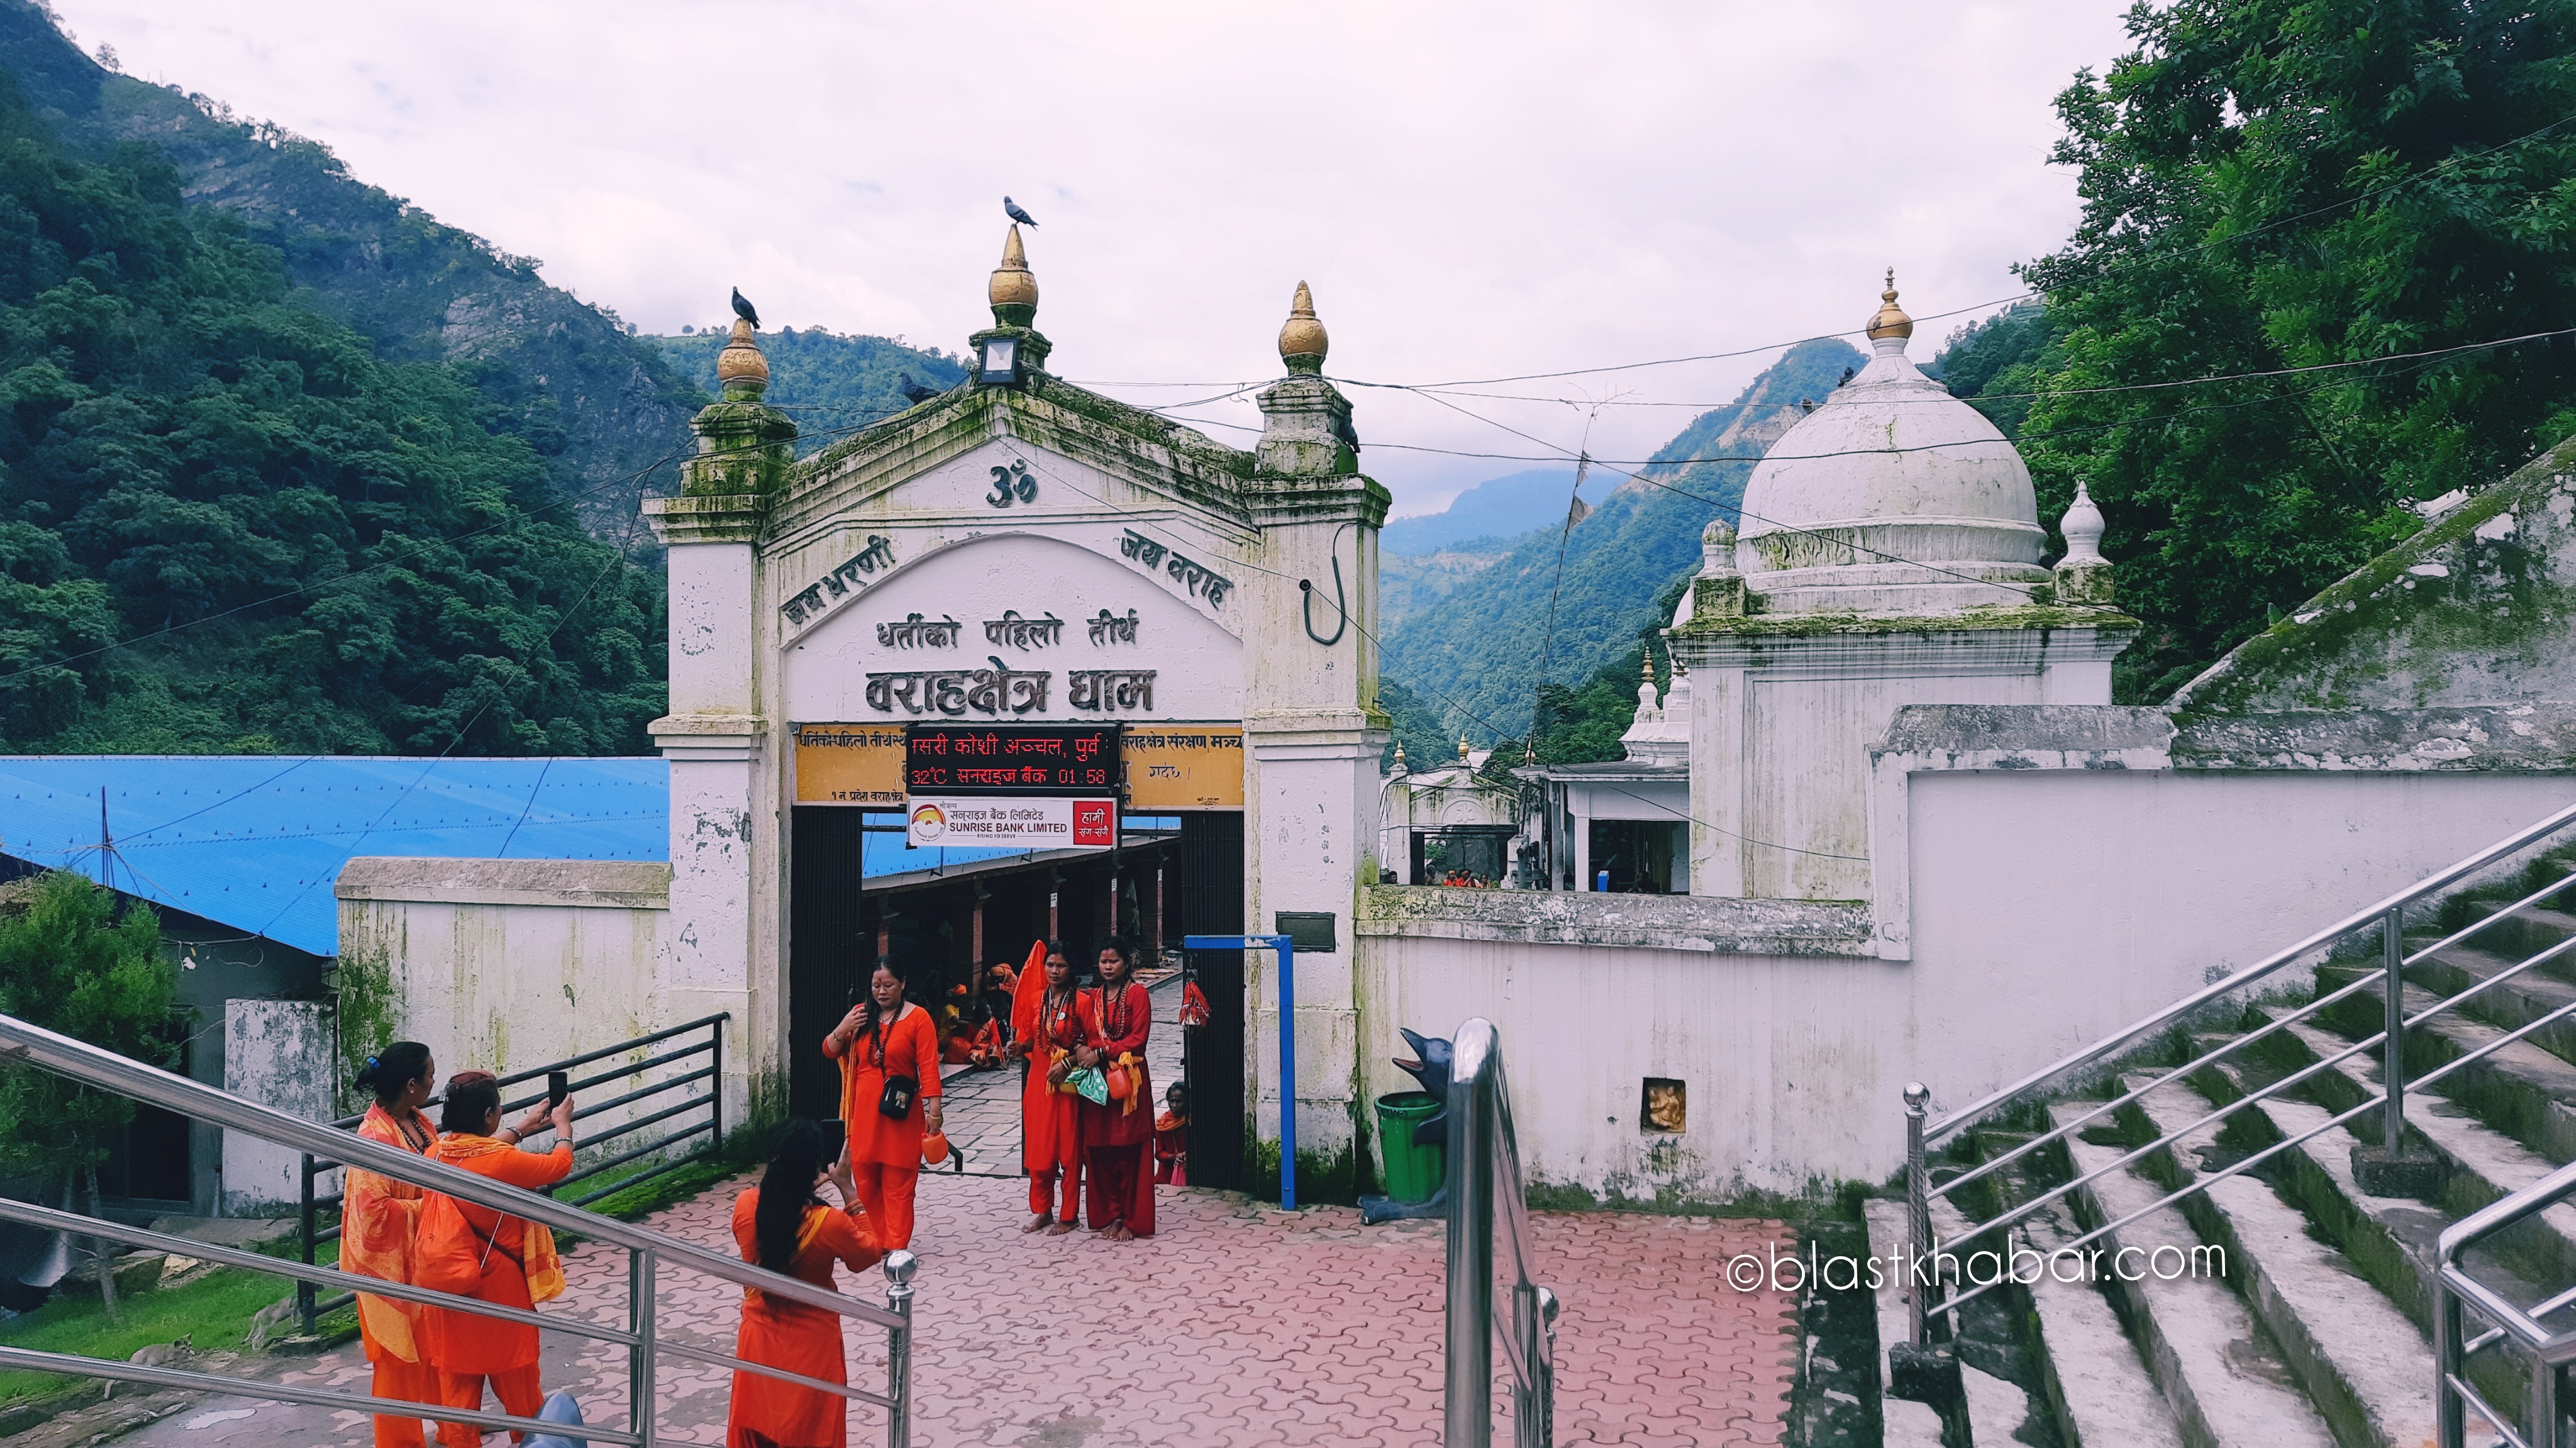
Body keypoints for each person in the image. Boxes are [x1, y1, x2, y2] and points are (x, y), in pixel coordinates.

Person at [419, 1071, 574, 1448]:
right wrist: (563, 1127)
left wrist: (520, 1128)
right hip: (499, 1291)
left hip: (449, 1290)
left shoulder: (434, 1154)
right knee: (520, 1386)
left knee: (458, 1391)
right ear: (489, 1115)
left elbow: (478, 1157)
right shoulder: (502, 1163)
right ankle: (532, 1441)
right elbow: (558, 1166)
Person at [725, 1120, 883, 1448]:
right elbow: (868, 1254)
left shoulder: (745, 1205)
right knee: (810, 1432)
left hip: (759, 1337)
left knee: (761, 1425)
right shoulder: (829, 1223)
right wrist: (847, 1190)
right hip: (813, 1346)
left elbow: (777, 1218)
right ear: (815, 1167)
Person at [343, 1042, 441, 1448]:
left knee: (437, 1351)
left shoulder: (418, 1122)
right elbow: (373, 1214)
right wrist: (432, 1206)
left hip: (422, 1259)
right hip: (385, 1269)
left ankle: (455, 1424)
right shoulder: (375, 1138)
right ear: (412, 1085)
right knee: (398, 1361)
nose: (436, 1081)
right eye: (430, 1075)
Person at [823, 957, 942, 1251]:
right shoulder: (860, 1016)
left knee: (899, 1181)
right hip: (863, 1114)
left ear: (903, 984)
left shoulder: (918, 1018)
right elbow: (829, 1050)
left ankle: (896, 1245)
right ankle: (872, 1240)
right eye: (876, 985)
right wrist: (843, 1027)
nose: (881, 991)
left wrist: (935, 1111)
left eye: (888, 985)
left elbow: (928, 1068)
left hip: (901, 1113)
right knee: (865, 1178)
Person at [1074, 937, 1155, 1240]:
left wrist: (1101, 1052)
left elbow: (1138, 1040)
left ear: (1128, 962)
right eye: (1103, 962)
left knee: (1129, 1147)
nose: (1108, 967)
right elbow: (1080, 1033)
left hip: (1128, 1082)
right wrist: (1081, 1050)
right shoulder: (1091, 998)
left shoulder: (1138, 995)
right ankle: (1109, 1214)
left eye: (1114, 961)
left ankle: (1129, 1217)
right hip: (1097, 1084)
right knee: (1100, 1148)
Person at [1009, 940, 1081, 1234]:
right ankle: (1043, 1210)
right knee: (1038, 1153)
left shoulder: (1083, 1002)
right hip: (1039, 1082)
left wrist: (1067, 1063)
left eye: (1061, 965)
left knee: (1070, 1154)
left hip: (1068, 1088)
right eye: (1049, 965)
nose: (1054, 970)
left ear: (1071, 968)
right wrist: (1020, 1046)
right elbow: (1034, 1041)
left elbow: (1089, 1047)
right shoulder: (1038, 999)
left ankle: (1070, 1214)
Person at [1154, 1082, 1189, 1186]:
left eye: (1179, 1102)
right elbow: (1159, 1153)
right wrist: (1174, 1157)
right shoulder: (1163, 1123)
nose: (1174, 1106)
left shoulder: (1192, 1122)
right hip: (1165, 1177)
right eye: (1172, 1101)